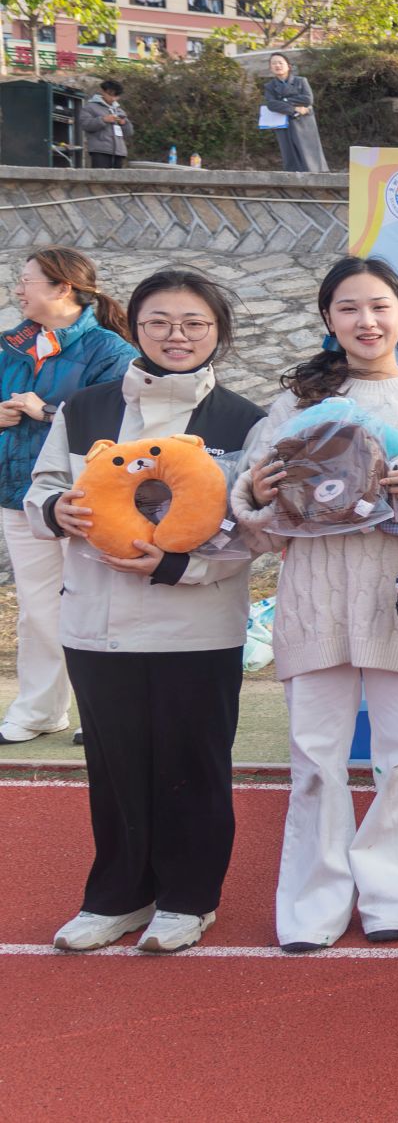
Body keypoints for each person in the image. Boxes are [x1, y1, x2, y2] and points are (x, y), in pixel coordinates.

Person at [231, 258, 398, 951]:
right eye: (348, 308)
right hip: (315, 604)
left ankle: (395, 893)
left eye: (379, 306)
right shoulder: (294, 407)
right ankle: (312, 904)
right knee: (314, 759)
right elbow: (256, 520)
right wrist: (258, 492)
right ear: (328, 320)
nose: (366, 321)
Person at [27, 268, 264, 953]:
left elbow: (252, 529)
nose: (176, 335)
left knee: (194, 764)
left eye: (194, 323)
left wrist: (177, 566)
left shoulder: (243, 421)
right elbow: (42, 487)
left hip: (199, 626)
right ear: (135, 326)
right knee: (116, 767)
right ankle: (118, 895)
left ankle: (189, 898)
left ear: (218, 332)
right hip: (97, 624)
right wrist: (57, 509)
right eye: (159, 321)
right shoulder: (87, 409)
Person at [0, 248, 135, 746]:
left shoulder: (110, 349)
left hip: (85, 498)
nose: (18, 289)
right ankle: (39, 710)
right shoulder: (9, 346)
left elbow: (117, 421)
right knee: (36, 609)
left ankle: (104, 712)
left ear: (63, 288)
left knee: (96, 604)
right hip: (19, 496)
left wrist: (45, 410)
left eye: (27, 280)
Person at [262, 54, 327, 174]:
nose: (277, 65)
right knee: (289, 151)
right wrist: (294, 109)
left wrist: (284, 100)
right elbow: (271, 104)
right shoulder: (269, 86)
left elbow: (308, 99)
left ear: (288, 66)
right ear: (270, 68)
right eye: (274, 63)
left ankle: (316, 175)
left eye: (280, 62)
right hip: (283, 121)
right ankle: (292, 178)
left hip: (304, 121)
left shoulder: (301, 81)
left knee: (309, 151)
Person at [81, 81, 130, 169]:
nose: (113, 98)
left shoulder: (119, 110)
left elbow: (129, 132)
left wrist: (124, 123)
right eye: (110, 95)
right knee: (100, 176)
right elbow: (85, 125)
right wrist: (103, 120)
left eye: (116, 96)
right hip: (100, 151)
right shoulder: (90, 107)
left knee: (117, 177)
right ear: (103, 92)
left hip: (119, 152)